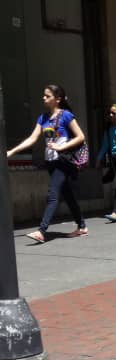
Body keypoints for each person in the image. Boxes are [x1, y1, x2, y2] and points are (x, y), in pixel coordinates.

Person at [5, 84, 88, 243]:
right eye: (44, 95)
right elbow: (32, 138)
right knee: (67, 194)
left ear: (57, 99)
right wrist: (12, 151)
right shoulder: (43, 118)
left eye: (47, 96)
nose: (43, 98)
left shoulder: (66, 116)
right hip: (50, 161)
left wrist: (61, 146)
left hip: (63, 161)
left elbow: (80, 137)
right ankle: (82, 226)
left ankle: (42, 231)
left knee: (52, 194)